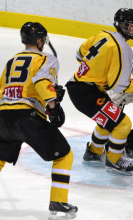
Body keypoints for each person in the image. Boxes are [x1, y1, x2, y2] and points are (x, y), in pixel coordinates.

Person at [0, 22, 77, 219]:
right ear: (41, 40)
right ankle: (57, 201)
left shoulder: (11, 60)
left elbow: (3, 91)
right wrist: (54, 106)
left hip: (3, 116)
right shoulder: (47, 59)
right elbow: (42, 82)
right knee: (64, 156)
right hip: (28, 117)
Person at [66, 8, 133, 176]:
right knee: (123, 124)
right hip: (86, 93)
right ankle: (114, 159)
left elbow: (79, 55)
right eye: (132, 26)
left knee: (108, 120)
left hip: (81, 87)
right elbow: (119, 86)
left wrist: (99, 69)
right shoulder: (123, 49)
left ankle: (93, 152)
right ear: (121, 25)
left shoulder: (103, 34)